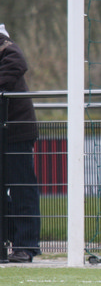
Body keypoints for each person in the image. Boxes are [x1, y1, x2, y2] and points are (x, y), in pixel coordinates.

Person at [0, 24, 40, 263]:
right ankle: (10, 240)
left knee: (22, 188)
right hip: (9, 130)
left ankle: (25, 245)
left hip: (16, 131)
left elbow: (17, 62)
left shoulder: (6, 47)